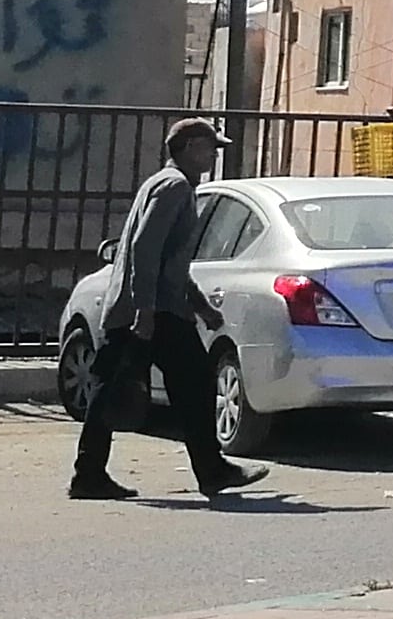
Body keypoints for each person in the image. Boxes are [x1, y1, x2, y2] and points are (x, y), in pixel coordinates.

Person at [70, 118, 260, 502]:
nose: (213, 156)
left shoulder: (162, 183)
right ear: (189, 147)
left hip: (143, 307)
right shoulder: (174, 187)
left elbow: (168, 260)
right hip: (154, 312)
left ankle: (89, 475)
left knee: (112, 388)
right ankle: (210, 469)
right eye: (210, 148)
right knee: (193, 383)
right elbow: (145, 248)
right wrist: (145, 310)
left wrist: (201, 306)